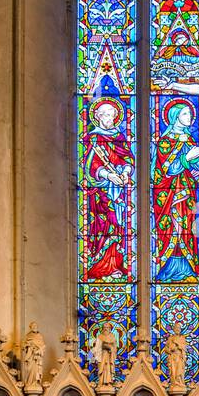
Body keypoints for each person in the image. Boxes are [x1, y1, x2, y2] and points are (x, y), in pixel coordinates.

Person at [151, 99, 199, 282]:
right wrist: (187, 157)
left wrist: (197, 160)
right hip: (168, 194)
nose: (190, 117)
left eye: (190, 114)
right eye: (185, 114)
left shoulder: (189, 139)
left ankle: (188, 269)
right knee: (172, 229)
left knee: (186, 228)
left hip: (187, 192)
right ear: (174, 117)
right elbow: (169, 169)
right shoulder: (165, 142)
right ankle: (169, 270)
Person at [83, 99, 133, 280]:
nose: (109, 118)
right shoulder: (93, 138)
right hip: (99, 193)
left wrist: (126, 172)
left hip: (118, 191)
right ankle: (98, 267)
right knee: (102, 226)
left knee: (118, 227)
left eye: (112, 114)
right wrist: (106, 175)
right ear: (97, 117)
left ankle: (116, 265)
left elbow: (128, 158)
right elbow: (88, 164)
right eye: (104, 114)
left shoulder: (119, 137)